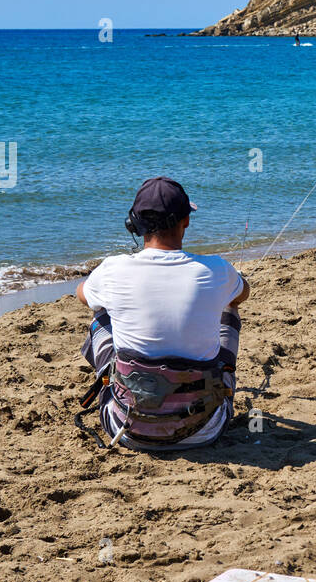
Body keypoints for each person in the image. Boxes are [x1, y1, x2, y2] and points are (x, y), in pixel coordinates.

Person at [76, 177, 249, 449]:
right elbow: (242, 295)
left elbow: (82, 294)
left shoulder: (112, 269)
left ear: (133, 225)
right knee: (229, 310)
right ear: (186, 221)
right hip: (205, 429)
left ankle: (116, 385)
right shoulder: (217, 269)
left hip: (125, 429)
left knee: (101, 317)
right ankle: (219, 377)